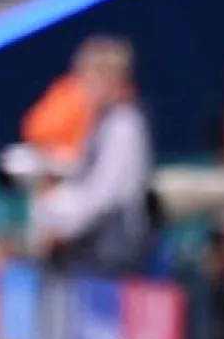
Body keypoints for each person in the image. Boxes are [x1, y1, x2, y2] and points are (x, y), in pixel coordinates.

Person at [28, 37, 156, 277]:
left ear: (109, 80)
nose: (82, 88)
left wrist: (62, 224)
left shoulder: (124, 124)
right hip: (92, 242)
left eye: (88, 79)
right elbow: (82, 175)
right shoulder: (99, 122)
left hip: (112, 250)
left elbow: (103, 193)